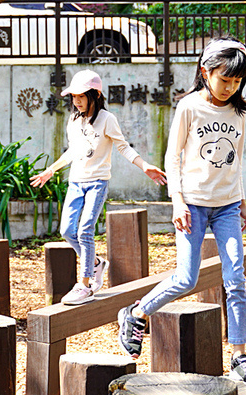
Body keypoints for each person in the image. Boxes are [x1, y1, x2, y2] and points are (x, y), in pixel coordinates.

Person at [116, 38, 246, 386]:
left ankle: (240, 356)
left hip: (227, 206)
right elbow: (173, 157)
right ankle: (137, 313)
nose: (230, 87)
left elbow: (236, 163)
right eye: (224, 79)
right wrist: (178, 201)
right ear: (205, 72)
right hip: (193, 205)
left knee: (236, 279)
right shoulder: (189, 108)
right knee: (187, 278)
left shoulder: (238, 112)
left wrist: (242, 203)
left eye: (237, 81)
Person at [32, 69, 166, 305]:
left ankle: (85, 285)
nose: (76, 101)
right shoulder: (74, 120)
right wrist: (50, 170)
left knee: (85, 230)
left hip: (97, 183)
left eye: (81, 97)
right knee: (66, 231)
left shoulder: (107, 119)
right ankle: (96, 264)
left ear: (95, 95)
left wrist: (144, 166)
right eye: (73, 97)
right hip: (75, 182)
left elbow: (123, 147)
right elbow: (72, 152)